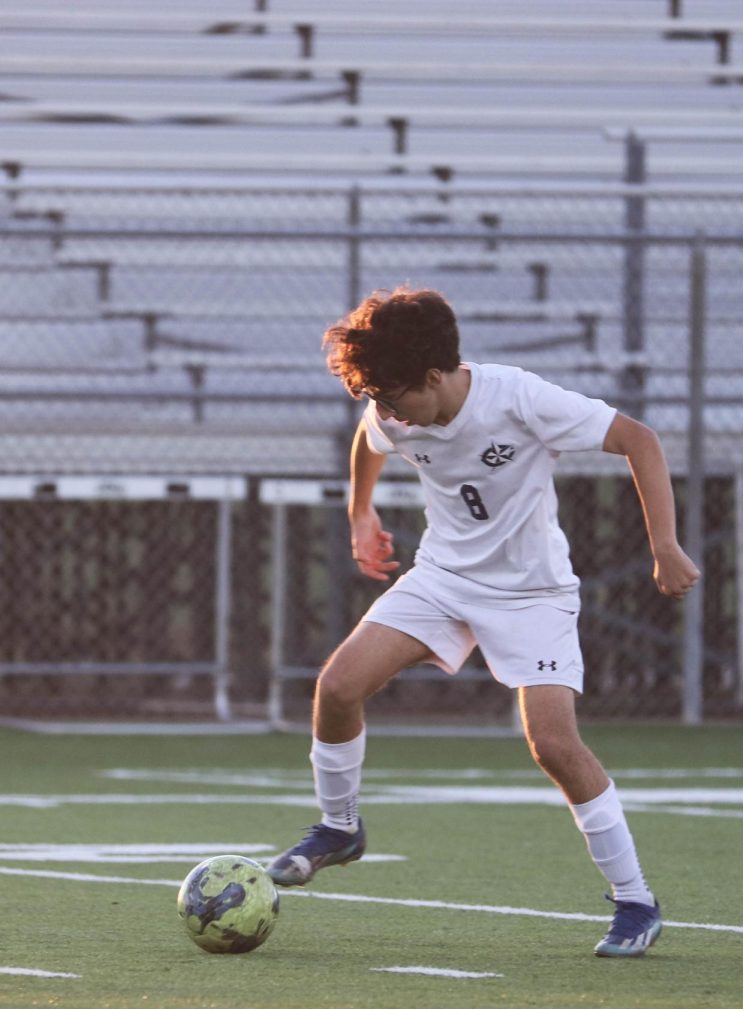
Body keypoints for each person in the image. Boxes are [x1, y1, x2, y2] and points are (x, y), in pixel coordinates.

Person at [268, 286, 700, 958]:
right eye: (375, 398)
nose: (385, 411)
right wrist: (361, 514)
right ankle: (339, 827)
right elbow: (367, 439)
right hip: (443, 578)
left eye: (394, 397)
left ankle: (635, 901)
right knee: (338, 687)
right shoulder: (394, 407)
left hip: (533, 594)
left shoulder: (520, 398)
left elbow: (636, 440)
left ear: (436, 378)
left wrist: (664, 545)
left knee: (553, 746)